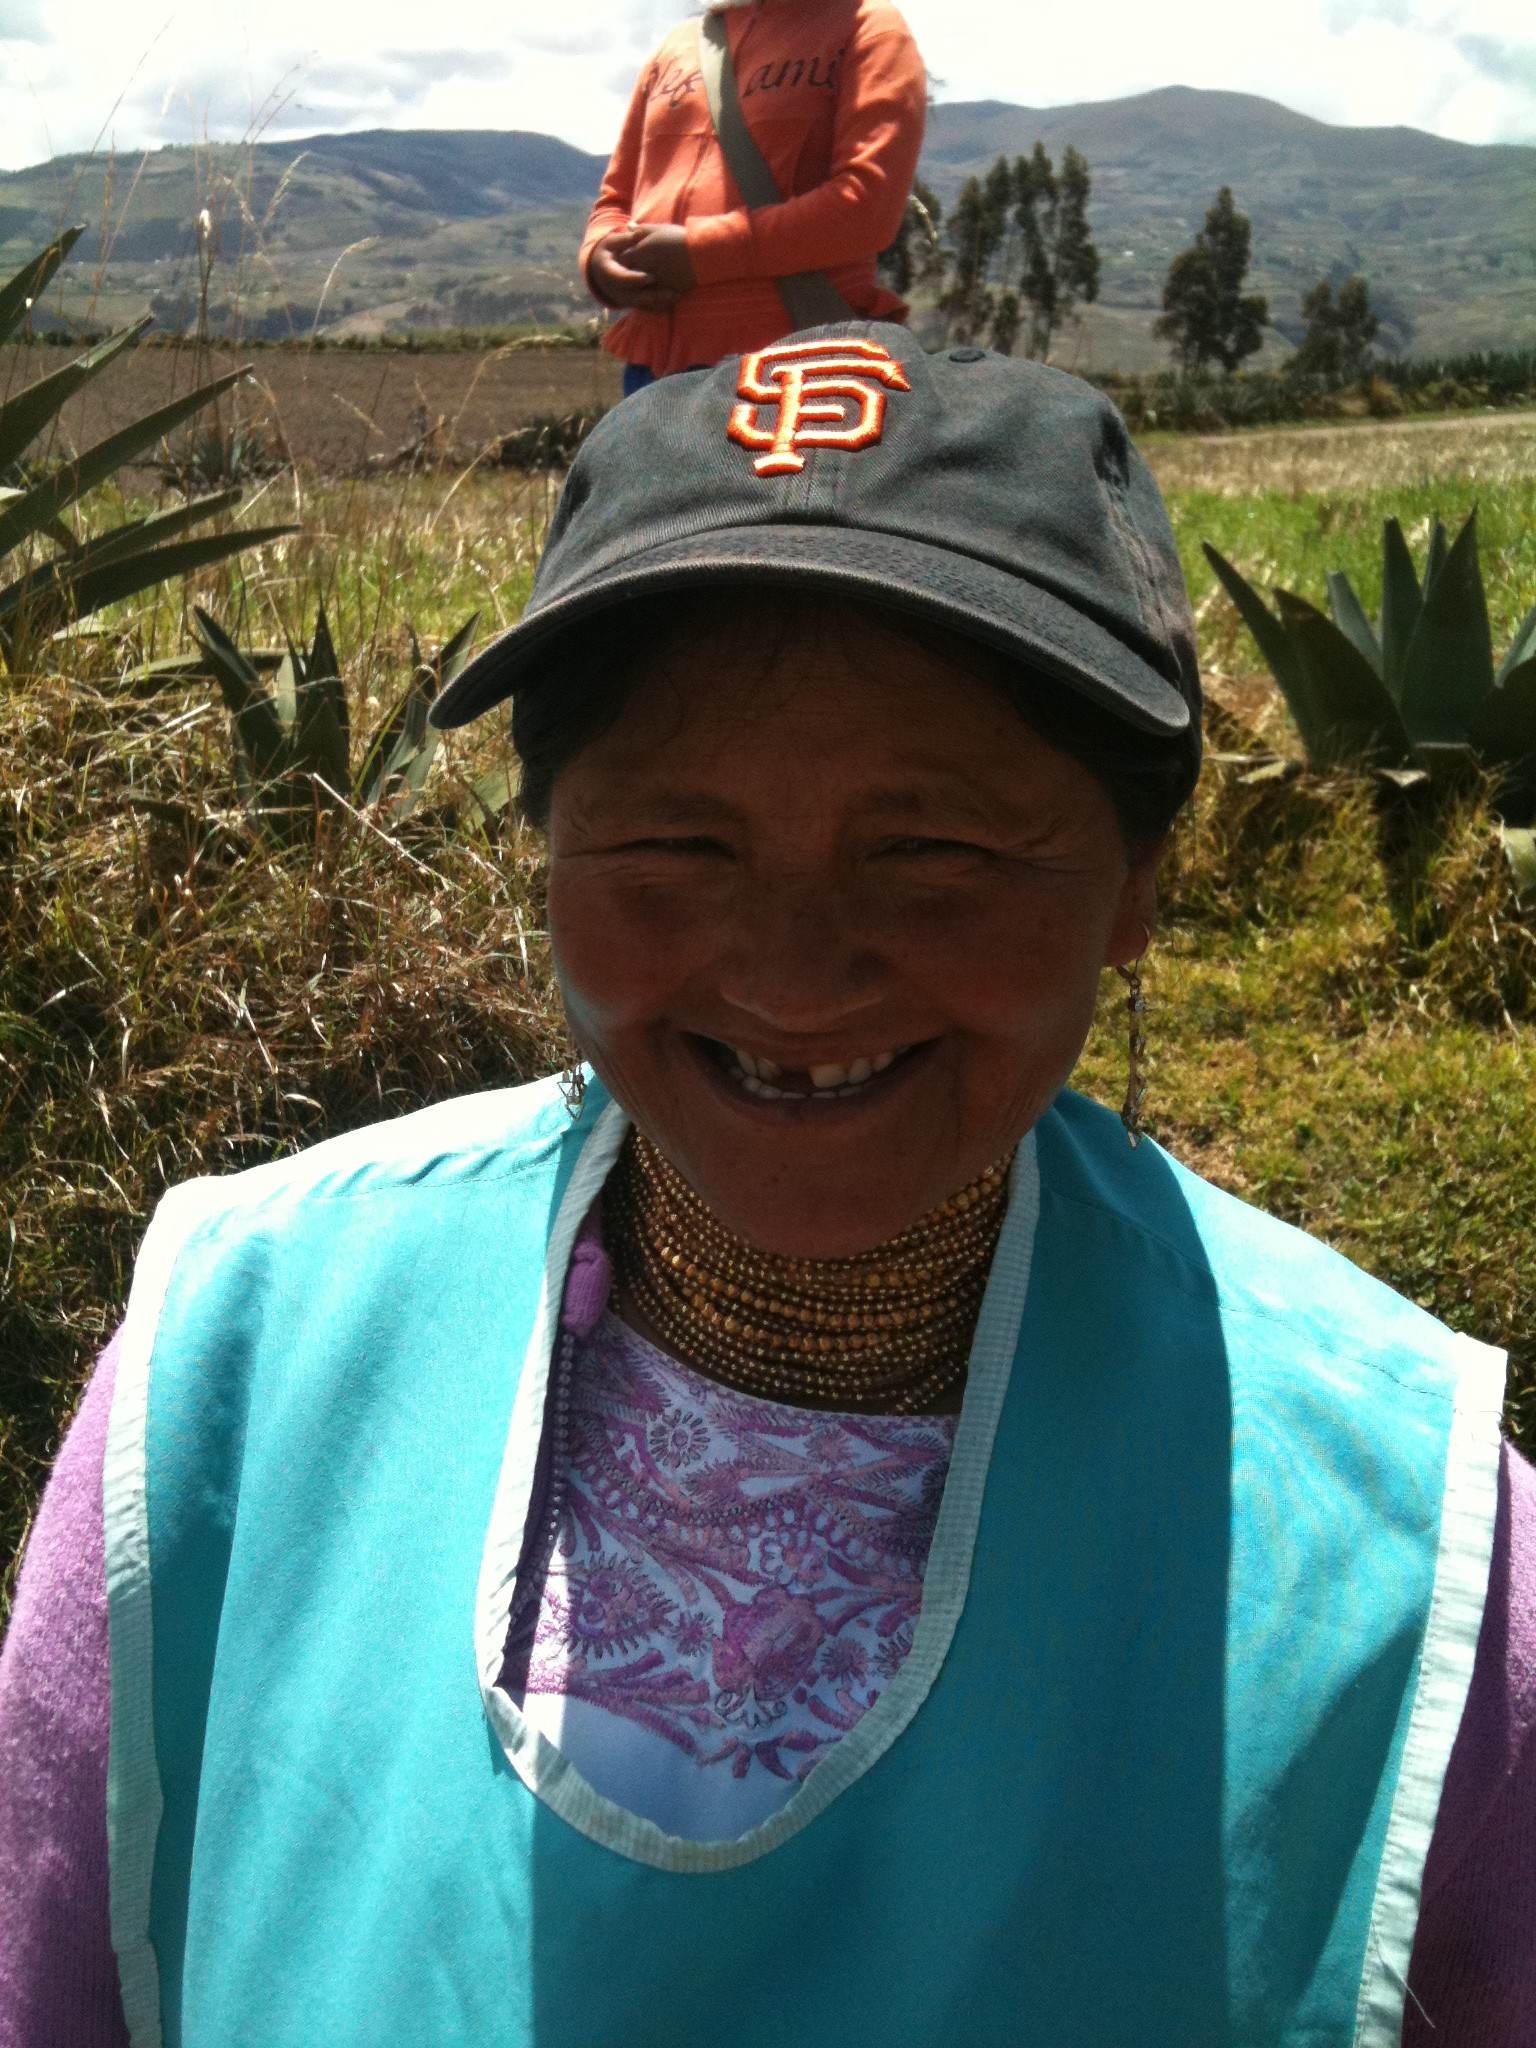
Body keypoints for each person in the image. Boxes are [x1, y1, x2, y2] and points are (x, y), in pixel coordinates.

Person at [2, 323, 1534, 2046]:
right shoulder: (234, 1377)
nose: (794, 976)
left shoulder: (1411, 1558)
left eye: (934, 846)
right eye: (677, 841)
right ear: (549, 844)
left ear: (1134, 881)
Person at [582, 0, 926, 393]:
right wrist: (599, 259)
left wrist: (698, 254)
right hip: (651, 375)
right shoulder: (676, 46)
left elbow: (865, 210)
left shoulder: (873, 28)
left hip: (797, 368)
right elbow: (616, 199)